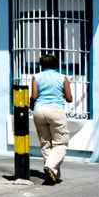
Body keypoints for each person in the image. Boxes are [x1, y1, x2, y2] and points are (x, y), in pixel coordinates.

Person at [30, 53, 73, 185]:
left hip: (39, 110)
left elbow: (34, 96)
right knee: (61, 143)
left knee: (46, 143)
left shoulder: (36, 77)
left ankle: (52, 174)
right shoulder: (62, 77)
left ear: (41, 65)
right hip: (55, 111)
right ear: (56, 65)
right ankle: (50, 167)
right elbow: (69, 99)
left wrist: (32, 107)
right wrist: (64, 93)